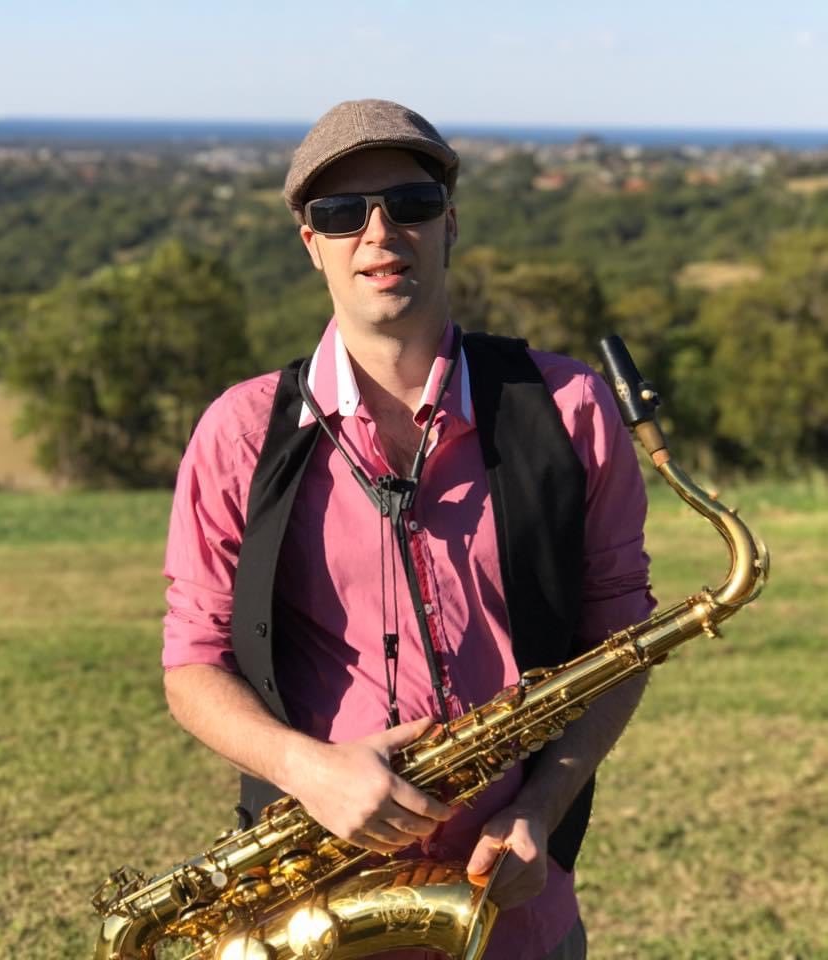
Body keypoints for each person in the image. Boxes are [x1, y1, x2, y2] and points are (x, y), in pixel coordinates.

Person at [161, 99, 654, 960]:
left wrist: (541, 809)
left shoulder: (569, 408)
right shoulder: (238, 432)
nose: (378, 232)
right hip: (310, 903)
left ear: (449, 224)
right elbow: (192, 663)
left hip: (512, 905)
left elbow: (618, 639)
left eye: (410, 204)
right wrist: (306, 769)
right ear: (310, 243)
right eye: (341, 213)